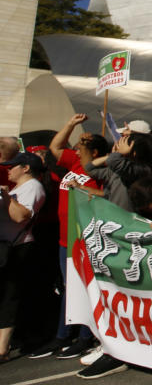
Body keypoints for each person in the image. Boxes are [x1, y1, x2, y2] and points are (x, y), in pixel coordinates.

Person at [34, 114, 108, 359]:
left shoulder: (100, 171)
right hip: (65, 239)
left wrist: (83, 188)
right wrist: (71, 124)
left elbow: (106, 196)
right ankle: (62, 336)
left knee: (83, 288)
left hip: (84, 239)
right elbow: (55, 147)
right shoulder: (74, 165)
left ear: (95, 151)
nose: (76, 151)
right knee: (68, 288)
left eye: (81, 148)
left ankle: (85, 337)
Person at [0, 153, 47, 361]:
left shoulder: (34, 187)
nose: (8, 169)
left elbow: (20, 216)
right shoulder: (20, 187)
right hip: (7, 245)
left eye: (12, 166)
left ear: (25, 168)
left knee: (10, 295)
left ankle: (2, 347)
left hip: (17, 247)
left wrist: (8, 197)